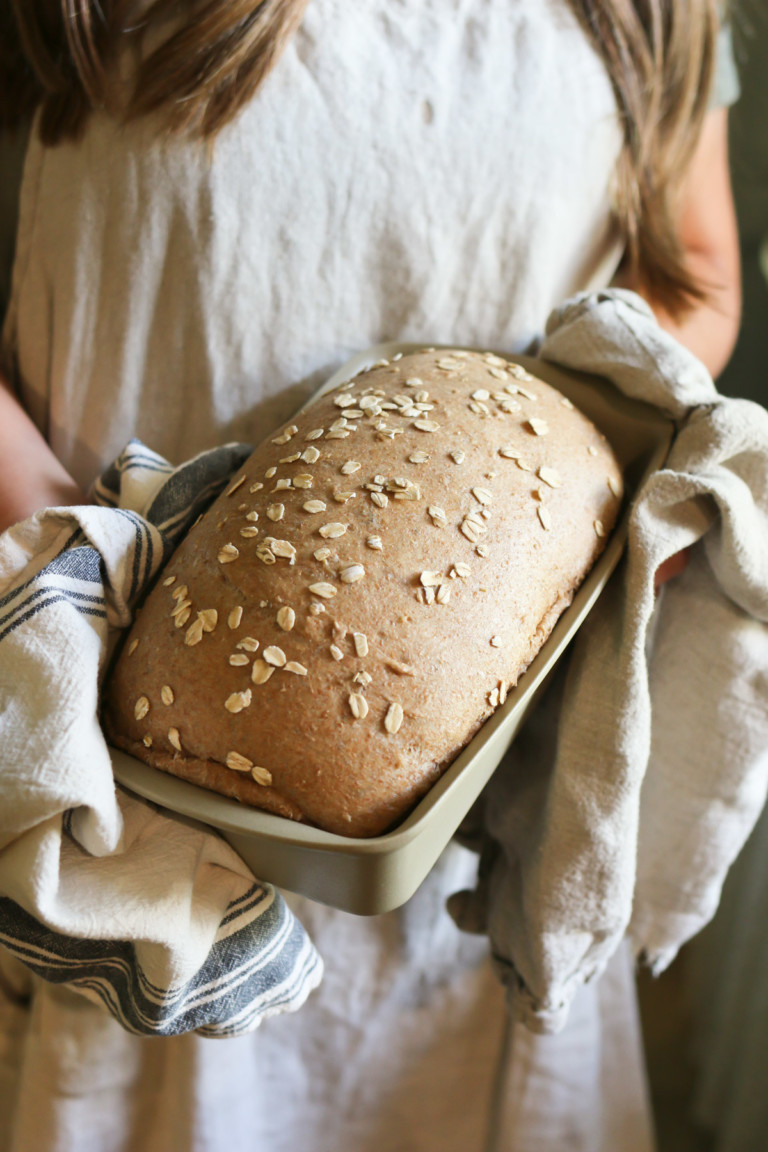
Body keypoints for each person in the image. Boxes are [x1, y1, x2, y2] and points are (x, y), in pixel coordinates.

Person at [0, 2, 742, 1150]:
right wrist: (73, 549)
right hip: (102, 802)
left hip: (490, 817)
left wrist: (565, 500)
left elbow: (693, 277)